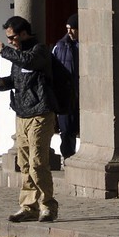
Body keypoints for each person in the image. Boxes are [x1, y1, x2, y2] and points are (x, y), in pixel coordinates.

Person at [0, 15, 60, 222]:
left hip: (40, 113)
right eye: (8, 39)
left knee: (37, 162)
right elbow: (17, 80)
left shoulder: (39, 51)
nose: (10, 41)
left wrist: (3, 50)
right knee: (25, 164)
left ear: (23, 34)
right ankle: (29, 206)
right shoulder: (18, 55)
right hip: (22, 114)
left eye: (13, 37)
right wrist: (1, 82)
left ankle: (48, 205)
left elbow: (30, 62)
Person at [50, 14, 80, 161]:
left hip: (83, 94)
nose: (69, 32)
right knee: (66, 129)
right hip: (66, 95)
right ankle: (68, 157)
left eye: (73, 29)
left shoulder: (86, 45)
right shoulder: (60, 46)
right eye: (67, 28)